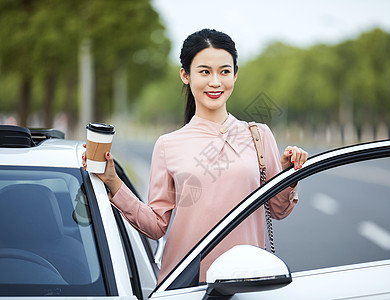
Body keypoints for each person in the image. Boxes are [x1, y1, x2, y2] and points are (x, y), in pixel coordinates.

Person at [82, 28, 308, 284]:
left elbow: (277, 210)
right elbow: (156, 226)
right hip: (186, 283)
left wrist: (291, 176)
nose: (215, 82)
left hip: (247, 281)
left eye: (224, 71)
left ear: (235, 75)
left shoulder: (259, 136)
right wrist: (113, 182)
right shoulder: (168, 145)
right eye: (204, 71)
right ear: (185, 75)